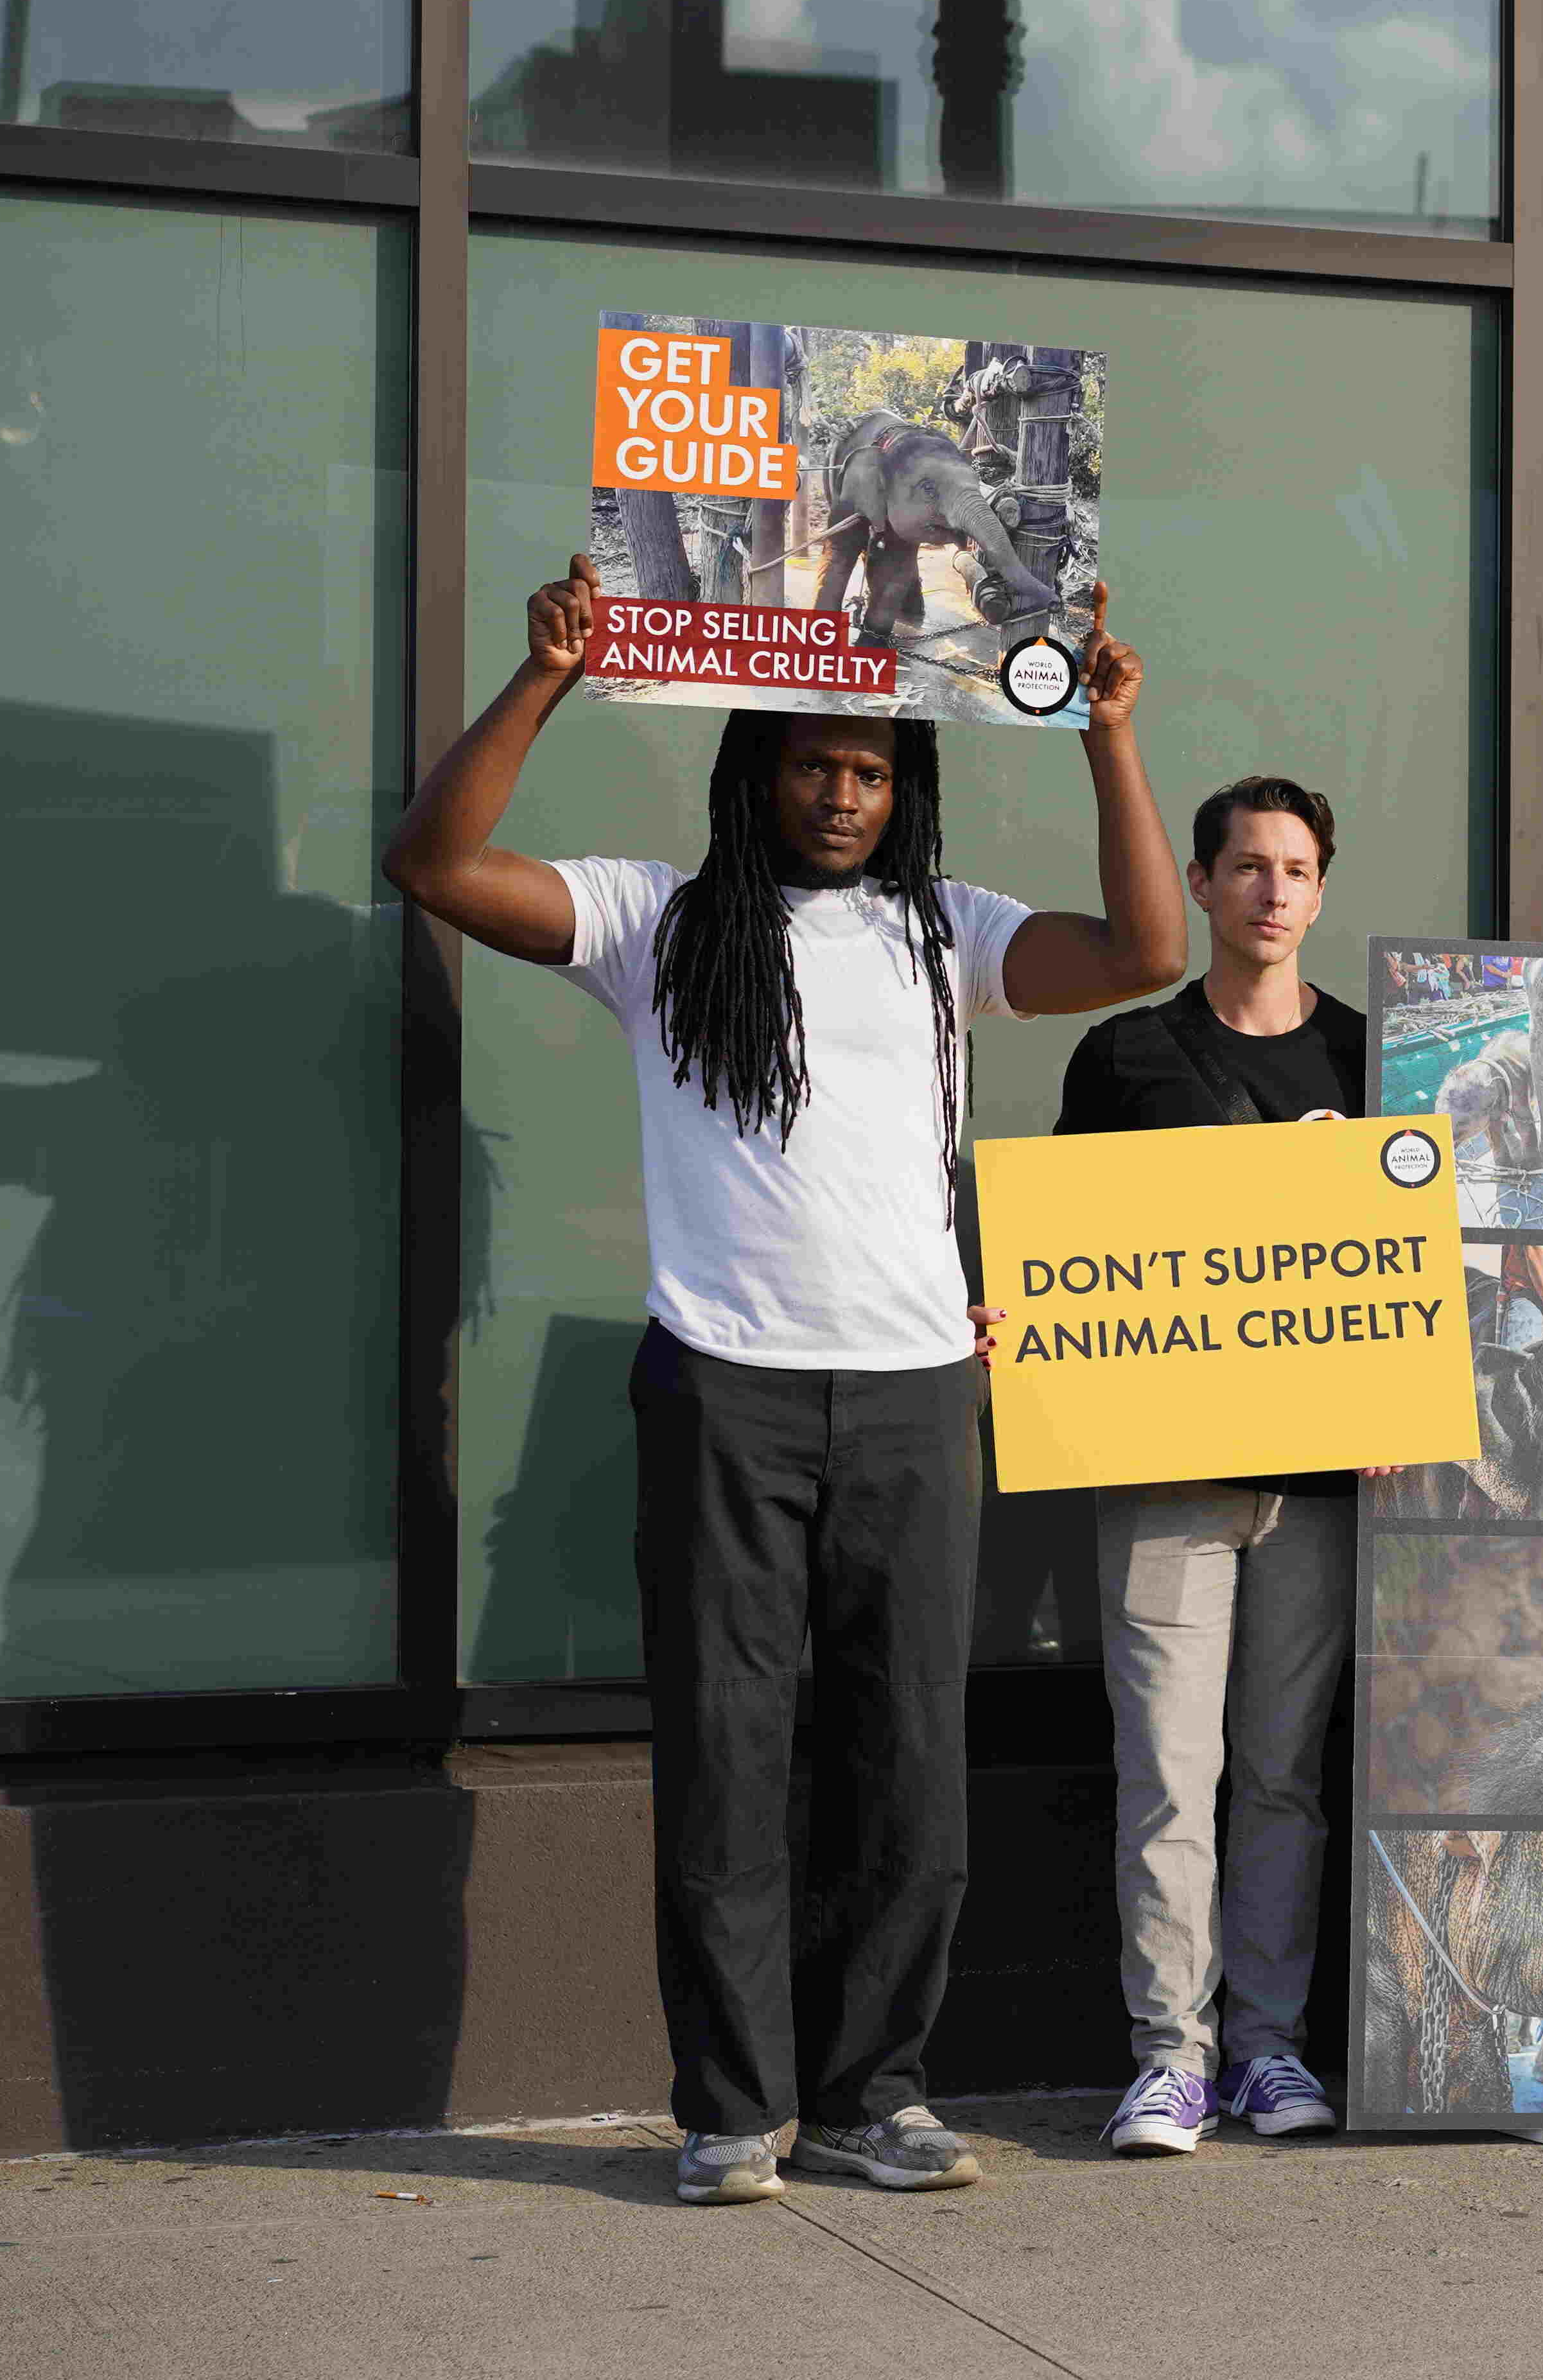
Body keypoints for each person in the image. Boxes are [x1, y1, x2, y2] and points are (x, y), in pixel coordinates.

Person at [383, 558, 1188, 2206]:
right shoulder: (652, 920)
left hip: (912, 1397)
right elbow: (437, 862)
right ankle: (732, 2106)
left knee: (908, 1770)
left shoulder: (942, 931)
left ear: (911, 788)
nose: (843, 791)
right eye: (815, 763)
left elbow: (1144, 948)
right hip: (722, 1393)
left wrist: (1107, 734)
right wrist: (543, 677)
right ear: (756, 769)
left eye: (875, 768)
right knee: (726, 1754)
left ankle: (867, 2092)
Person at [1048, 775, 1375, 2157]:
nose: (1275, 890)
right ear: (1200, 882)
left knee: (1286, 1773)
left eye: (1298, 869)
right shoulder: (1125, 1057)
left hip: (1324, 1483)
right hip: (1167, 1472)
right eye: (1249, 866)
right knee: (1171, 1773)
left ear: (1321, 890)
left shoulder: (1377, 1061)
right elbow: (1066, 1251)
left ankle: (1268, 2047)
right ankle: (1166, 2057)